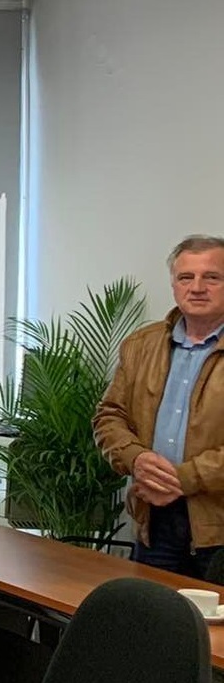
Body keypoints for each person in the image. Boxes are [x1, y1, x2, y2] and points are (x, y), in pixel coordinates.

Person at [95, 235, 224, 577]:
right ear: (174, 285)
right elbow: (109, 415)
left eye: (212, 277)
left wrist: (183, 479)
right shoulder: (142, 344)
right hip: (153, 518)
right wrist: (136, 459)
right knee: (155, 609)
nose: (197, 288)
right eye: (186, 277)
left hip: (218, 528)